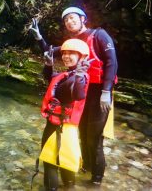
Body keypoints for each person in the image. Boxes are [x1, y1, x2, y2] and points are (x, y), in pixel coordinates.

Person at [29, 6, 118, 186]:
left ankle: (96, 181)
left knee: (94, 137)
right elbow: (50, 52)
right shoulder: (73, 44)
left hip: (99, 91)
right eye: (66, 20)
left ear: (83, 18)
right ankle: (85, 168)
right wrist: (39, 38)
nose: (69, 22)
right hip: (81, 93)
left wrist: (106, 91)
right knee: (81, 134)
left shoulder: (99, 35)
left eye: (72, 18)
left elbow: (111, 61)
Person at [38, 38, 90, 190]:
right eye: (65, 53)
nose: (66, 56)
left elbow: (78, 94)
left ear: (82, 57)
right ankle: (69, 186)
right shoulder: (69, 74)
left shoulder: (79, 77)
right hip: (64, 126)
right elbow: (52, 79)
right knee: (66, 160)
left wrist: (80, 75)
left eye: (71, 53)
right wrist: (48, 65)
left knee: (50, 162)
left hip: (59, 126)